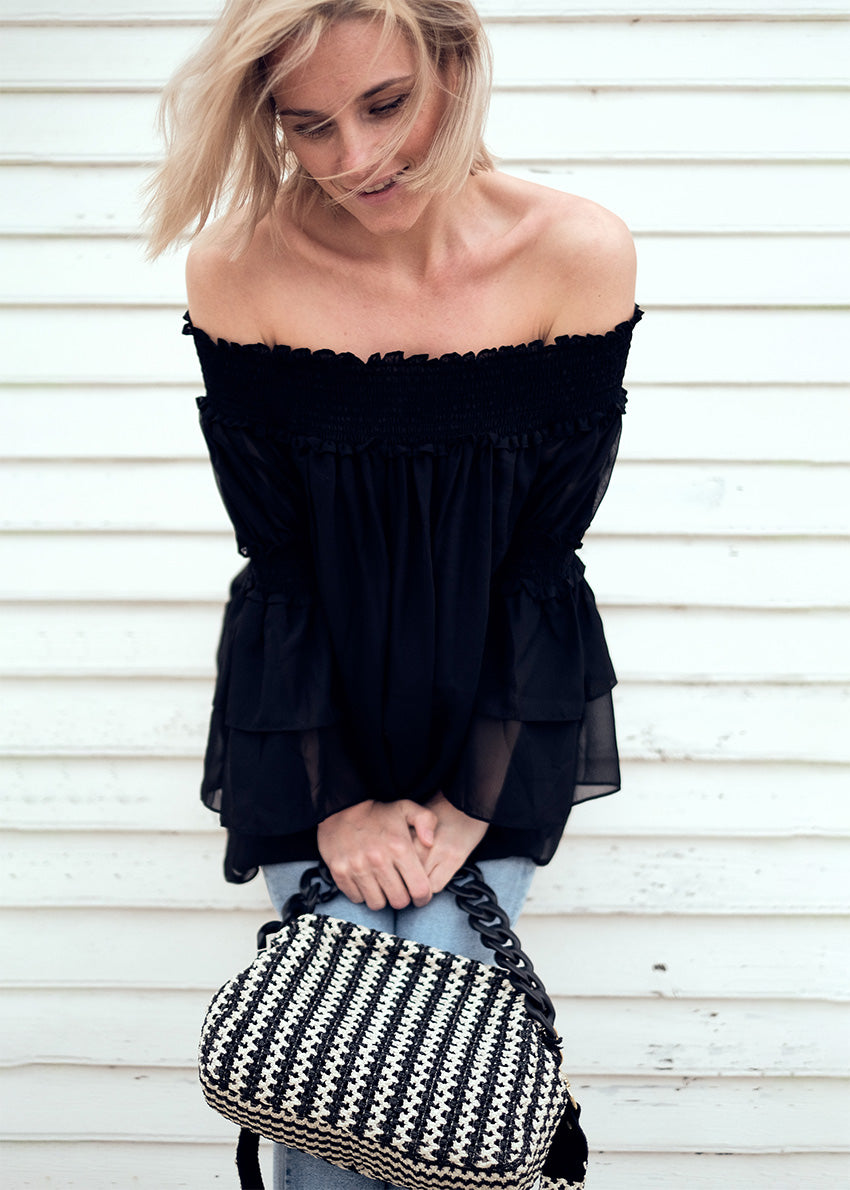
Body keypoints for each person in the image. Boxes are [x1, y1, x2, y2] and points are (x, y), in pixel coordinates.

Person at [147, 1, 638, 1186]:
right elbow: (282, 566)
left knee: (443, 1113)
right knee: (327, 1103)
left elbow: (541, 557)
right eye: (306, 125)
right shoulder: (239, 266)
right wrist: (336, 804)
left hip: (497, 724)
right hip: (315, 735)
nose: (355, 160)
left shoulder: (578, 250)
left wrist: (477, 794)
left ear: (453, 63)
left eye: (384, 105)